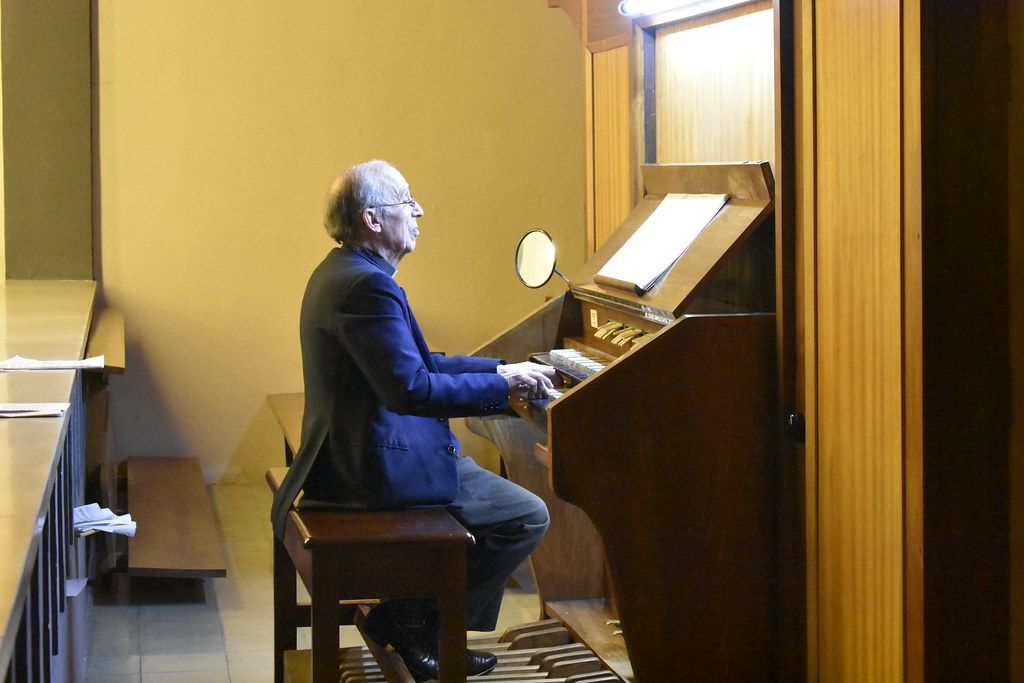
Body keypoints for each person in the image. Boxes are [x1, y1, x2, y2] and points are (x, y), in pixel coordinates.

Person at [271, 159, 556, 681]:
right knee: (525, 515)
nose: (419, 211)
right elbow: (412, 389)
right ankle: (415, 621)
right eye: (407, 201)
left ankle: (419, 623)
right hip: (369, 469)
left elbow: (420, 365)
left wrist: (499, 371)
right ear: (372, 219)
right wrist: (505, 389)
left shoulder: (345, 271)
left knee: (501, 503)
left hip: (360, 449)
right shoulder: (366, 287)